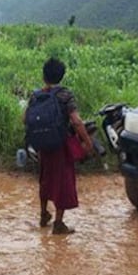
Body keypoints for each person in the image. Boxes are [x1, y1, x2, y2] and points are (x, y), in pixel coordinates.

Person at [25, 58, 94, 235]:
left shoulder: (36, 95)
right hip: (61, 144)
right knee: (63, 181)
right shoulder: (65, 95)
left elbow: (25, 119)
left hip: (43, 145)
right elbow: (76, 121)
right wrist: (87, 140)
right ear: (62, 76)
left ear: (43, 75)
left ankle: (43, 214)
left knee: (45, 178)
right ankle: (58, 224)